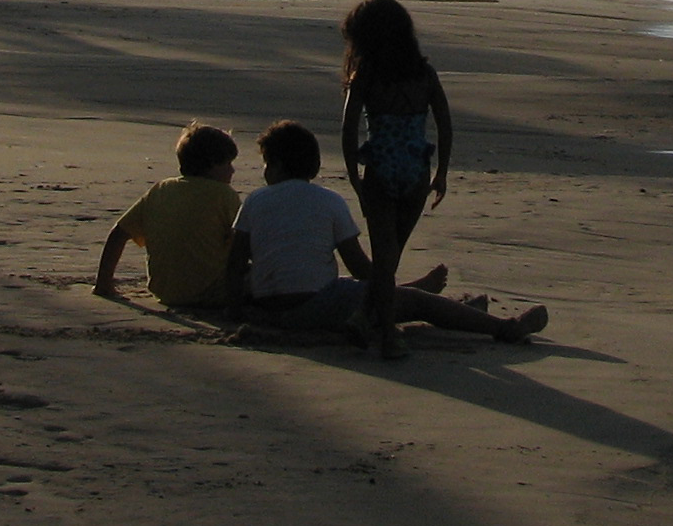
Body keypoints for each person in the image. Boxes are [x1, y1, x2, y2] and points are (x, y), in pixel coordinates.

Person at [229, 119, 544, 353]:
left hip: (269, 306)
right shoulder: (330, 201)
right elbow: (359, 267)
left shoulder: (255, 200)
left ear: (278, 166)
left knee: (382, 296)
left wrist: (236, 308)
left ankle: (450, 305)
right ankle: (505, 327)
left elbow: (235, 261)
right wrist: (385, 288)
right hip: (317, 306)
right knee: (415, 304)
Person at [338, 0, 456, 358]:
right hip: (416, 168)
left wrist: (353, 172)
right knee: (392, 255)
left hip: (381, 167)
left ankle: (383, 330)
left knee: (384, 257)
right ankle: (372, 322)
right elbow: (445, 123)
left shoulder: (367, 74)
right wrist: (442, 172)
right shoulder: (424, 73)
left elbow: (349, 127)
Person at [95, 122, 242, 309]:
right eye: (227, 163)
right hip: (212, 292)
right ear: (212, 164)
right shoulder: (224, 194)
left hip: (164, 291)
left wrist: (104, 283)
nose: (232, 170)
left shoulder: (161, 189)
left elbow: (119, 233)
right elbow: (245, 238)